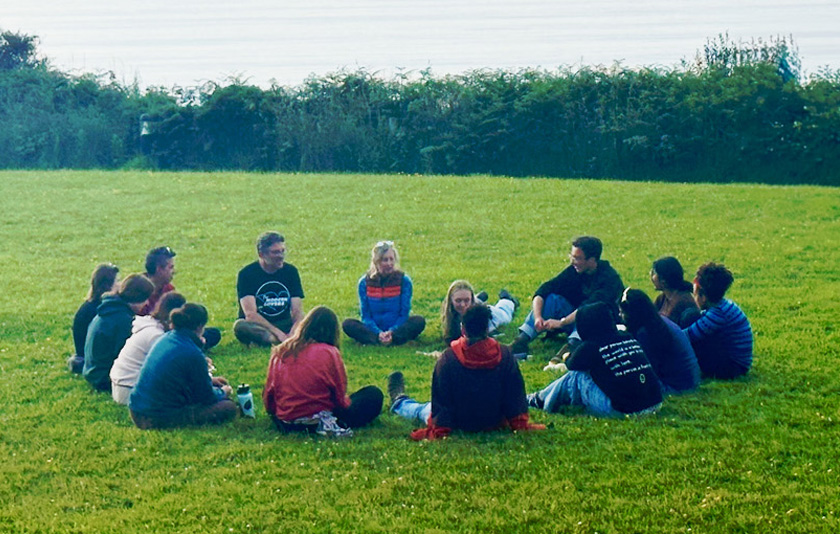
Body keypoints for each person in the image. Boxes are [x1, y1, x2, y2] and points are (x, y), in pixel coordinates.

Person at [389, 304, 545, 440]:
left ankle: (399, 400)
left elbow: (441, 404)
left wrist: (440, 429)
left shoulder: (448, 358)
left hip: (458, 422)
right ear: (487, 328)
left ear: (463, 329)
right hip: (494, 420)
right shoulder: (505, 355)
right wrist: (519, 424)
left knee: (420, 410)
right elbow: (515, 397)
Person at [527, 302, 663, 417]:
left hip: (623, 410)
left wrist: (567, 355)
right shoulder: (627, 337)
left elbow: (572, 364)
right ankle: (542, 398)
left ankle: (540, 400)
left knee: (577, 377)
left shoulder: (591, 346)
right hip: (655, 403)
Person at [264, 306, 383, 436]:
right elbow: (339, 397)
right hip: (318, 420)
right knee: (373, 394)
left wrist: (275, 413)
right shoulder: (329, 352)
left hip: (285, 421)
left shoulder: (281, 351)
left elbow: (270, 392)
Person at [510, 236, 624, 359]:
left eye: (578, 258)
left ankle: (571, 348)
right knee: (552, 300)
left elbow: (588, 308)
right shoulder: (575, 270)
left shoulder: (609, 279)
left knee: (591, 315)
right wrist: (538, 317)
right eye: (572, 256)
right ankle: (521, 340)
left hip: (600, 325)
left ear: (592, 260)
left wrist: (561, 323)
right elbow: (544, 290)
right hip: (574, 317)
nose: (572, 261)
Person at [129, 303, 237, 429]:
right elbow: (206, 398)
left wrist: (210, 381)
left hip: (137, 410)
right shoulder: (192, 352)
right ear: (200, 326)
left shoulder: (167, 338)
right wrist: (223, 392)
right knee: (229, 408)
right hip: (156, 418)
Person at [342, 240, 425, 345]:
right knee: (348, 324)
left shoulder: (404, 281)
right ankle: (379, 339)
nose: (389, 264)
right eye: (385, 260)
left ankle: (389, 338)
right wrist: (378, 332)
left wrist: (392, 331)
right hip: (373, 329)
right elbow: (366, 315)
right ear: (377, 261)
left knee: (418, 321)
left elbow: (404, 313)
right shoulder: (364, 283)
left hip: (396, 327)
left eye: (391, 259)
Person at [110, 291, 186, 404]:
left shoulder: (151, 326)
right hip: (130, 389)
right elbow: (170, 370)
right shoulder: (156, 335)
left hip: (121, 385)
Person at [619, 288, 700, 394]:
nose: (620, 316)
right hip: (690, 381)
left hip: (676, 387)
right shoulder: (657, 323)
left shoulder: (645, 333)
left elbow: (646, 370)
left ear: (632, 314)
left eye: (622, 312)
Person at [83, 273, 155, 392]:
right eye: (145, 299)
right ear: (136, 298)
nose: (147, 303)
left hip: (92, 372)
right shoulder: (123, 321)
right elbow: (127, 358)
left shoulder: (108, 310)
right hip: (103, 378)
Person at [140, 246, 221, 349]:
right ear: (159, 269)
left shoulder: (169, 289)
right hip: (150, 333)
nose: (174, 271)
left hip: (169, 329)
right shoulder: (139, 288)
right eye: (171, 267)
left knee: (213, 333)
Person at [684, 262, 753, 379]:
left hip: (734, 366)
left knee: (690, 321)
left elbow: (688, 336)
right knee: (689, 315)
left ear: (704, 297)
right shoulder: (722, 306)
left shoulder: (718, 314)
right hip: (737, 361)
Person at [234, 232, 305, 346]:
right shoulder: (247, 274)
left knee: (315, 319)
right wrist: (279, 334)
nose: (281, 256)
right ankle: (278, 339)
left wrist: (293, 331)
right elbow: (251, 314)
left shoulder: (291, 271)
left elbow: (297, 311)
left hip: (284, 322)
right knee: (240, 326)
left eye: (282, 251)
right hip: (260, 325)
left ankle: (279, 340)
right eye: (275, 252)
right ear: (261, 254)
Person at [68, 263, 119, 374]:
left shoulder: (89, 305)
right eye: (116, 282)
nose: (119, 285)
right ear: (108, 286)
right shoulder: (101, 310)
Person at [441, 280, 519, 345]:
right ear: (451, 300)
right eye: (458, 300)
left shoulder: (481, 314)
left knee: (505, 313)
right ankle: (479, 297)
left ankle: (507, 300)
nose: (462, 305)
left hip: (493, 314)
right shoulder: (449, 313)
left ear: (471, 300)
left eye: (466, 300)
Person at [650, 256, 700, 328]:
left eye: (654, 273)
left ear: (664, 281)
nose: (652, 276)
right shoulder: (663, 298)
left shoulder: (682, 302)